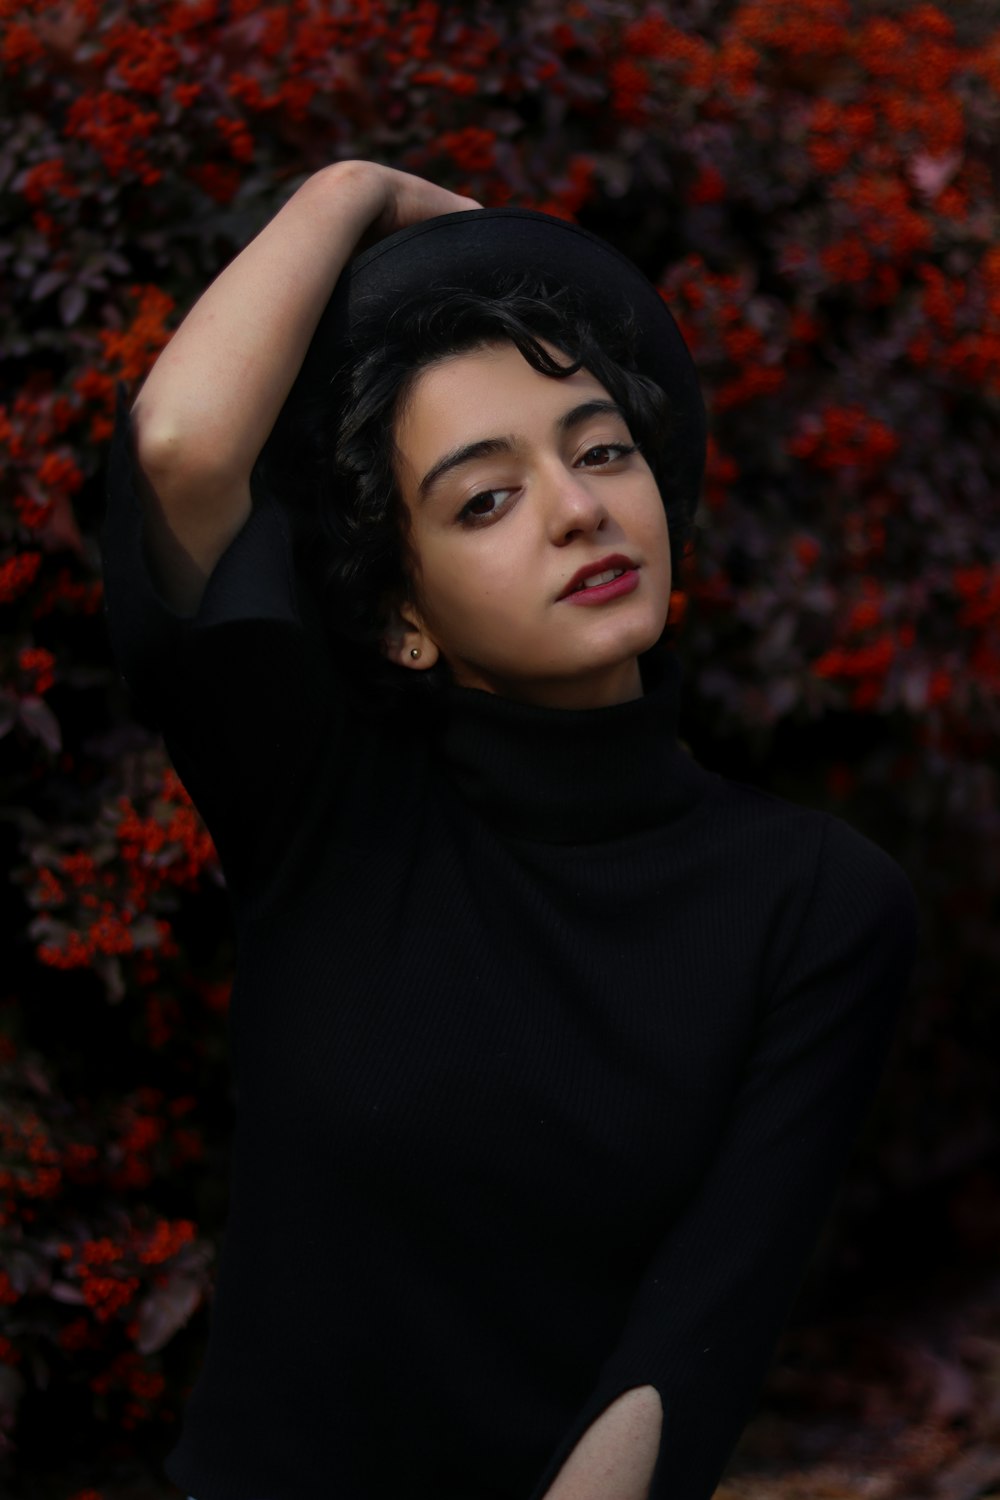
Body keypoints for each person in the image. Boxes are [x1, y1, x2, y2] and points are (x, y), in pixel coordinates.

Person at [99, 160, 921, 1500]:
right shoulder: (326, 800)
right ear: (402, 620)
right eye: (484, 498)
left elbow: (686, 1347)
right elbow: (186, 450)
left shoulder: (818, 905)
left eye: (601, 450)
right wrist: (359, 189)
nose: (579, 508)